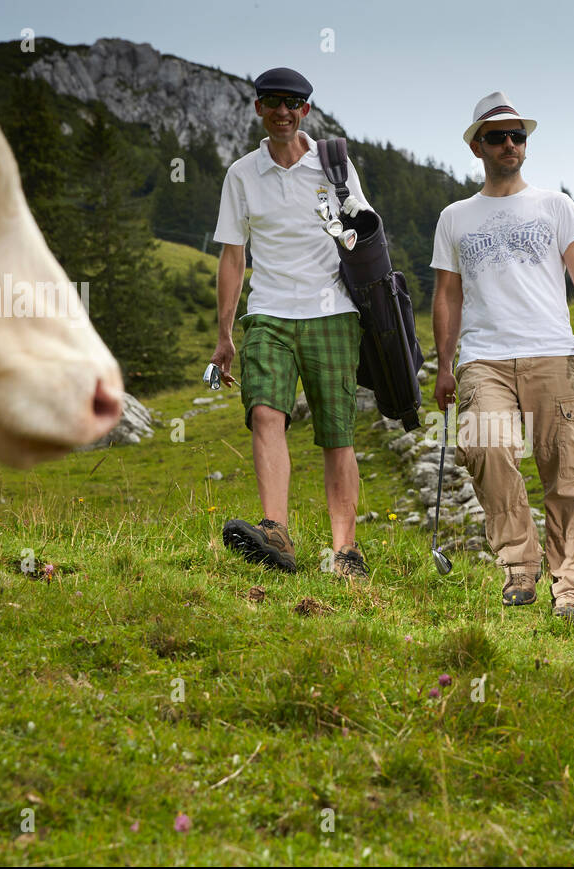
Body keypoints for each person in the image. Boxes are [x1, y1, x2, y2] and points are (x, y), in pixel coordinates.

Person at [430, 92, 574, 626]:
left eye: (518, 136)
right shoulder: (454, 217)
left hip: (552, 352)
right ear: (478, 147)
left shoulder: (556, 206)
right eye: (497, 137)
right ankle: (519, 564)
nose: (509, 144)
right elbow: (447, 295)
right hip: (482, 358)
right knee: (485, 446)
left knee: (567, 471)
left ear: (526, 147)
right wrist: (444, 365)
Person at [211, 67, 372, 579]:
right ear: (258, 108)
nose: (283, 111)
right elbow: (233, 256)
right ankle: (276, 531)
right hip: (269, 312)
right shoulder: (241, 174)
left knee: (336, 431)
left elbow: (365, 236)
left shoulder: (335, 165)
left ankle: (345, 551)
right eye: (273, 102)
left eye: (294, 103)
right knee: (265, 412)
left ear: (306, 110)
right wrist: (225, 334)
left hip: (332, 312)